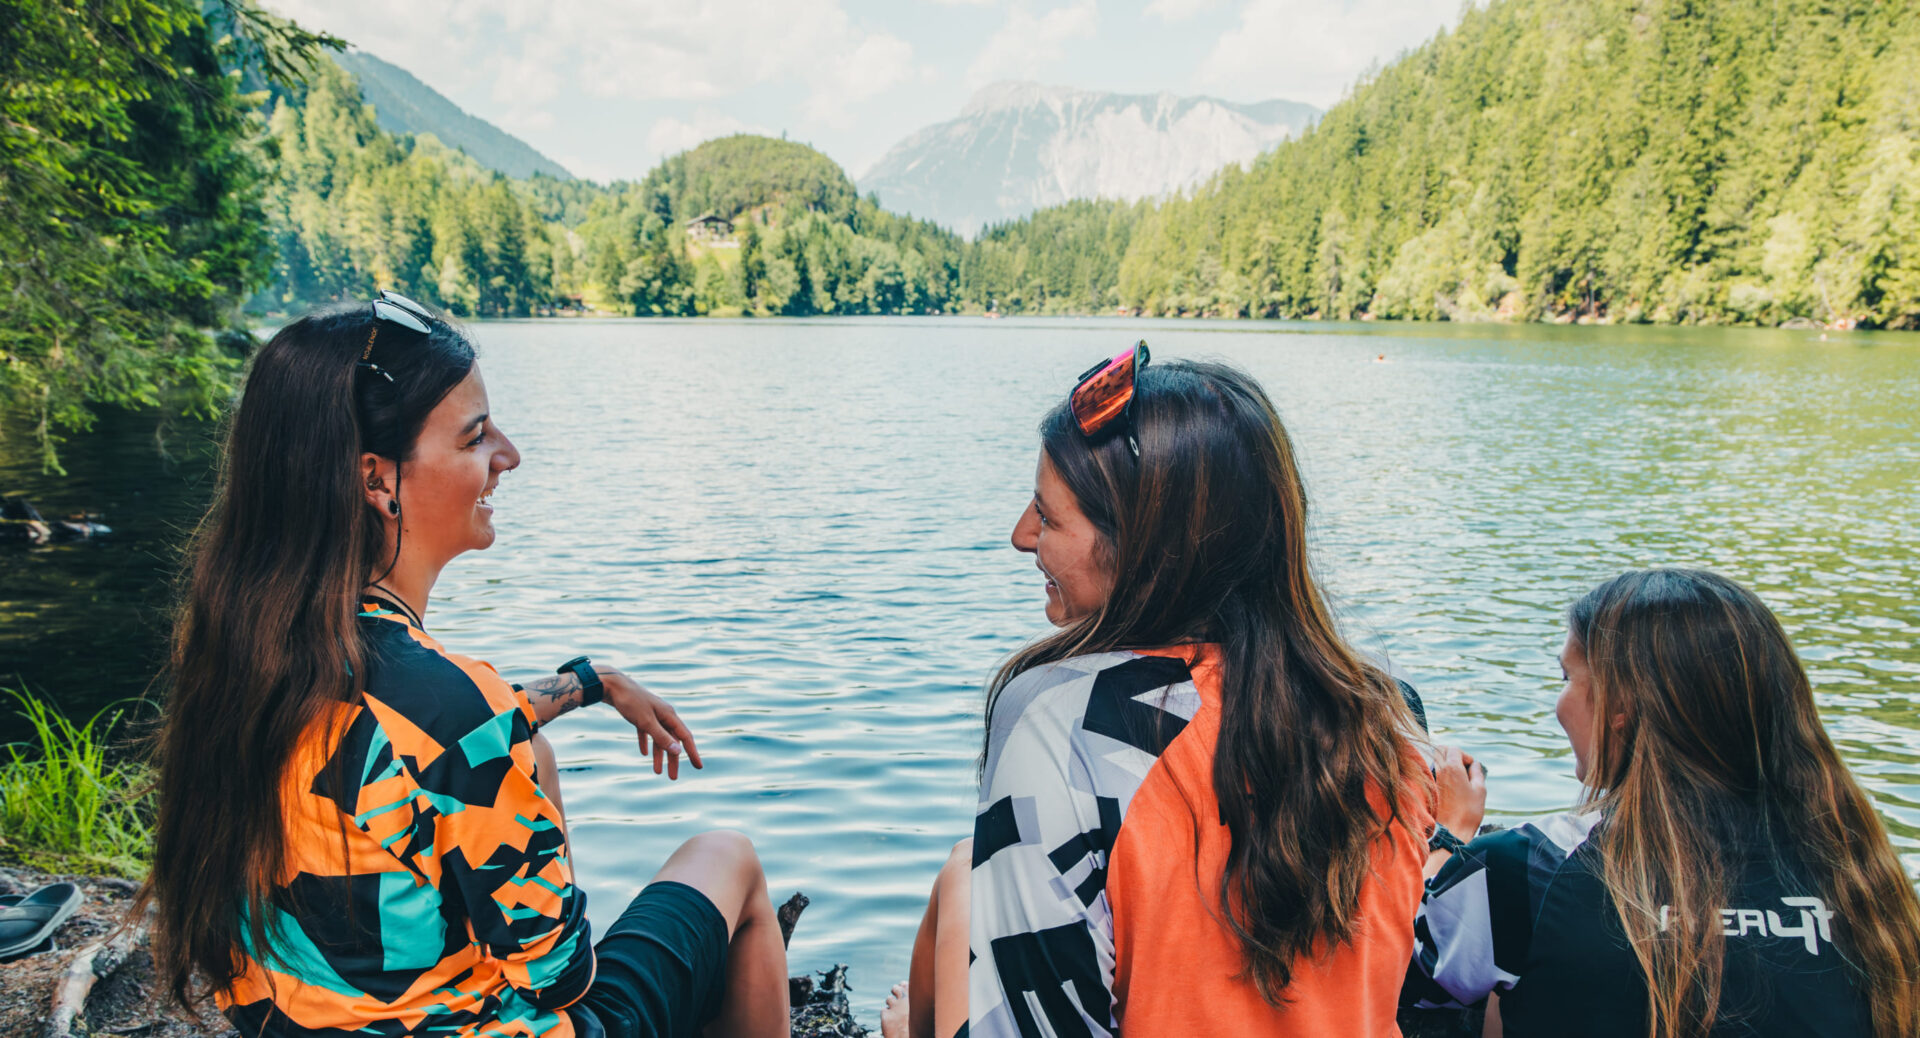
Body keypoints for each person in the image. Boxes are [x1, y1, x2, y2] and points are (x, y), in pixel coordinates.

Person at [141, 296, 789, 1038]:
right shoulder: (448, 706)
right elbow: (559, 976)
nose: (507, 456)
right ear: (378, 480)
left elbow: (416, 734)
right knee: (729, 858)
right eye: (476, 436)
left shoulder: (245, 655)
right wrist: (535, 775)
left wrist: (593, 683)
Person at [884, 344, 1436, 1038]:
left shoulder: (1061, 720)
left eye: (1048, 517)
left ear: (1143, 547)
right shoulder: (1383, 722)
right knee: (964, 872)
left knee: (963, 881)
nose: (1021, 536)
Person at [1406, 568, 1920, 1038]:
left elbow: (1402, 979)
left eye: (1567, 679)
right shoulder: (1866, 879)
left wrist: (1447, 837)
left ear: (1621, 706)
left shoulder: (1530, 866)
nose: (1559, 704)